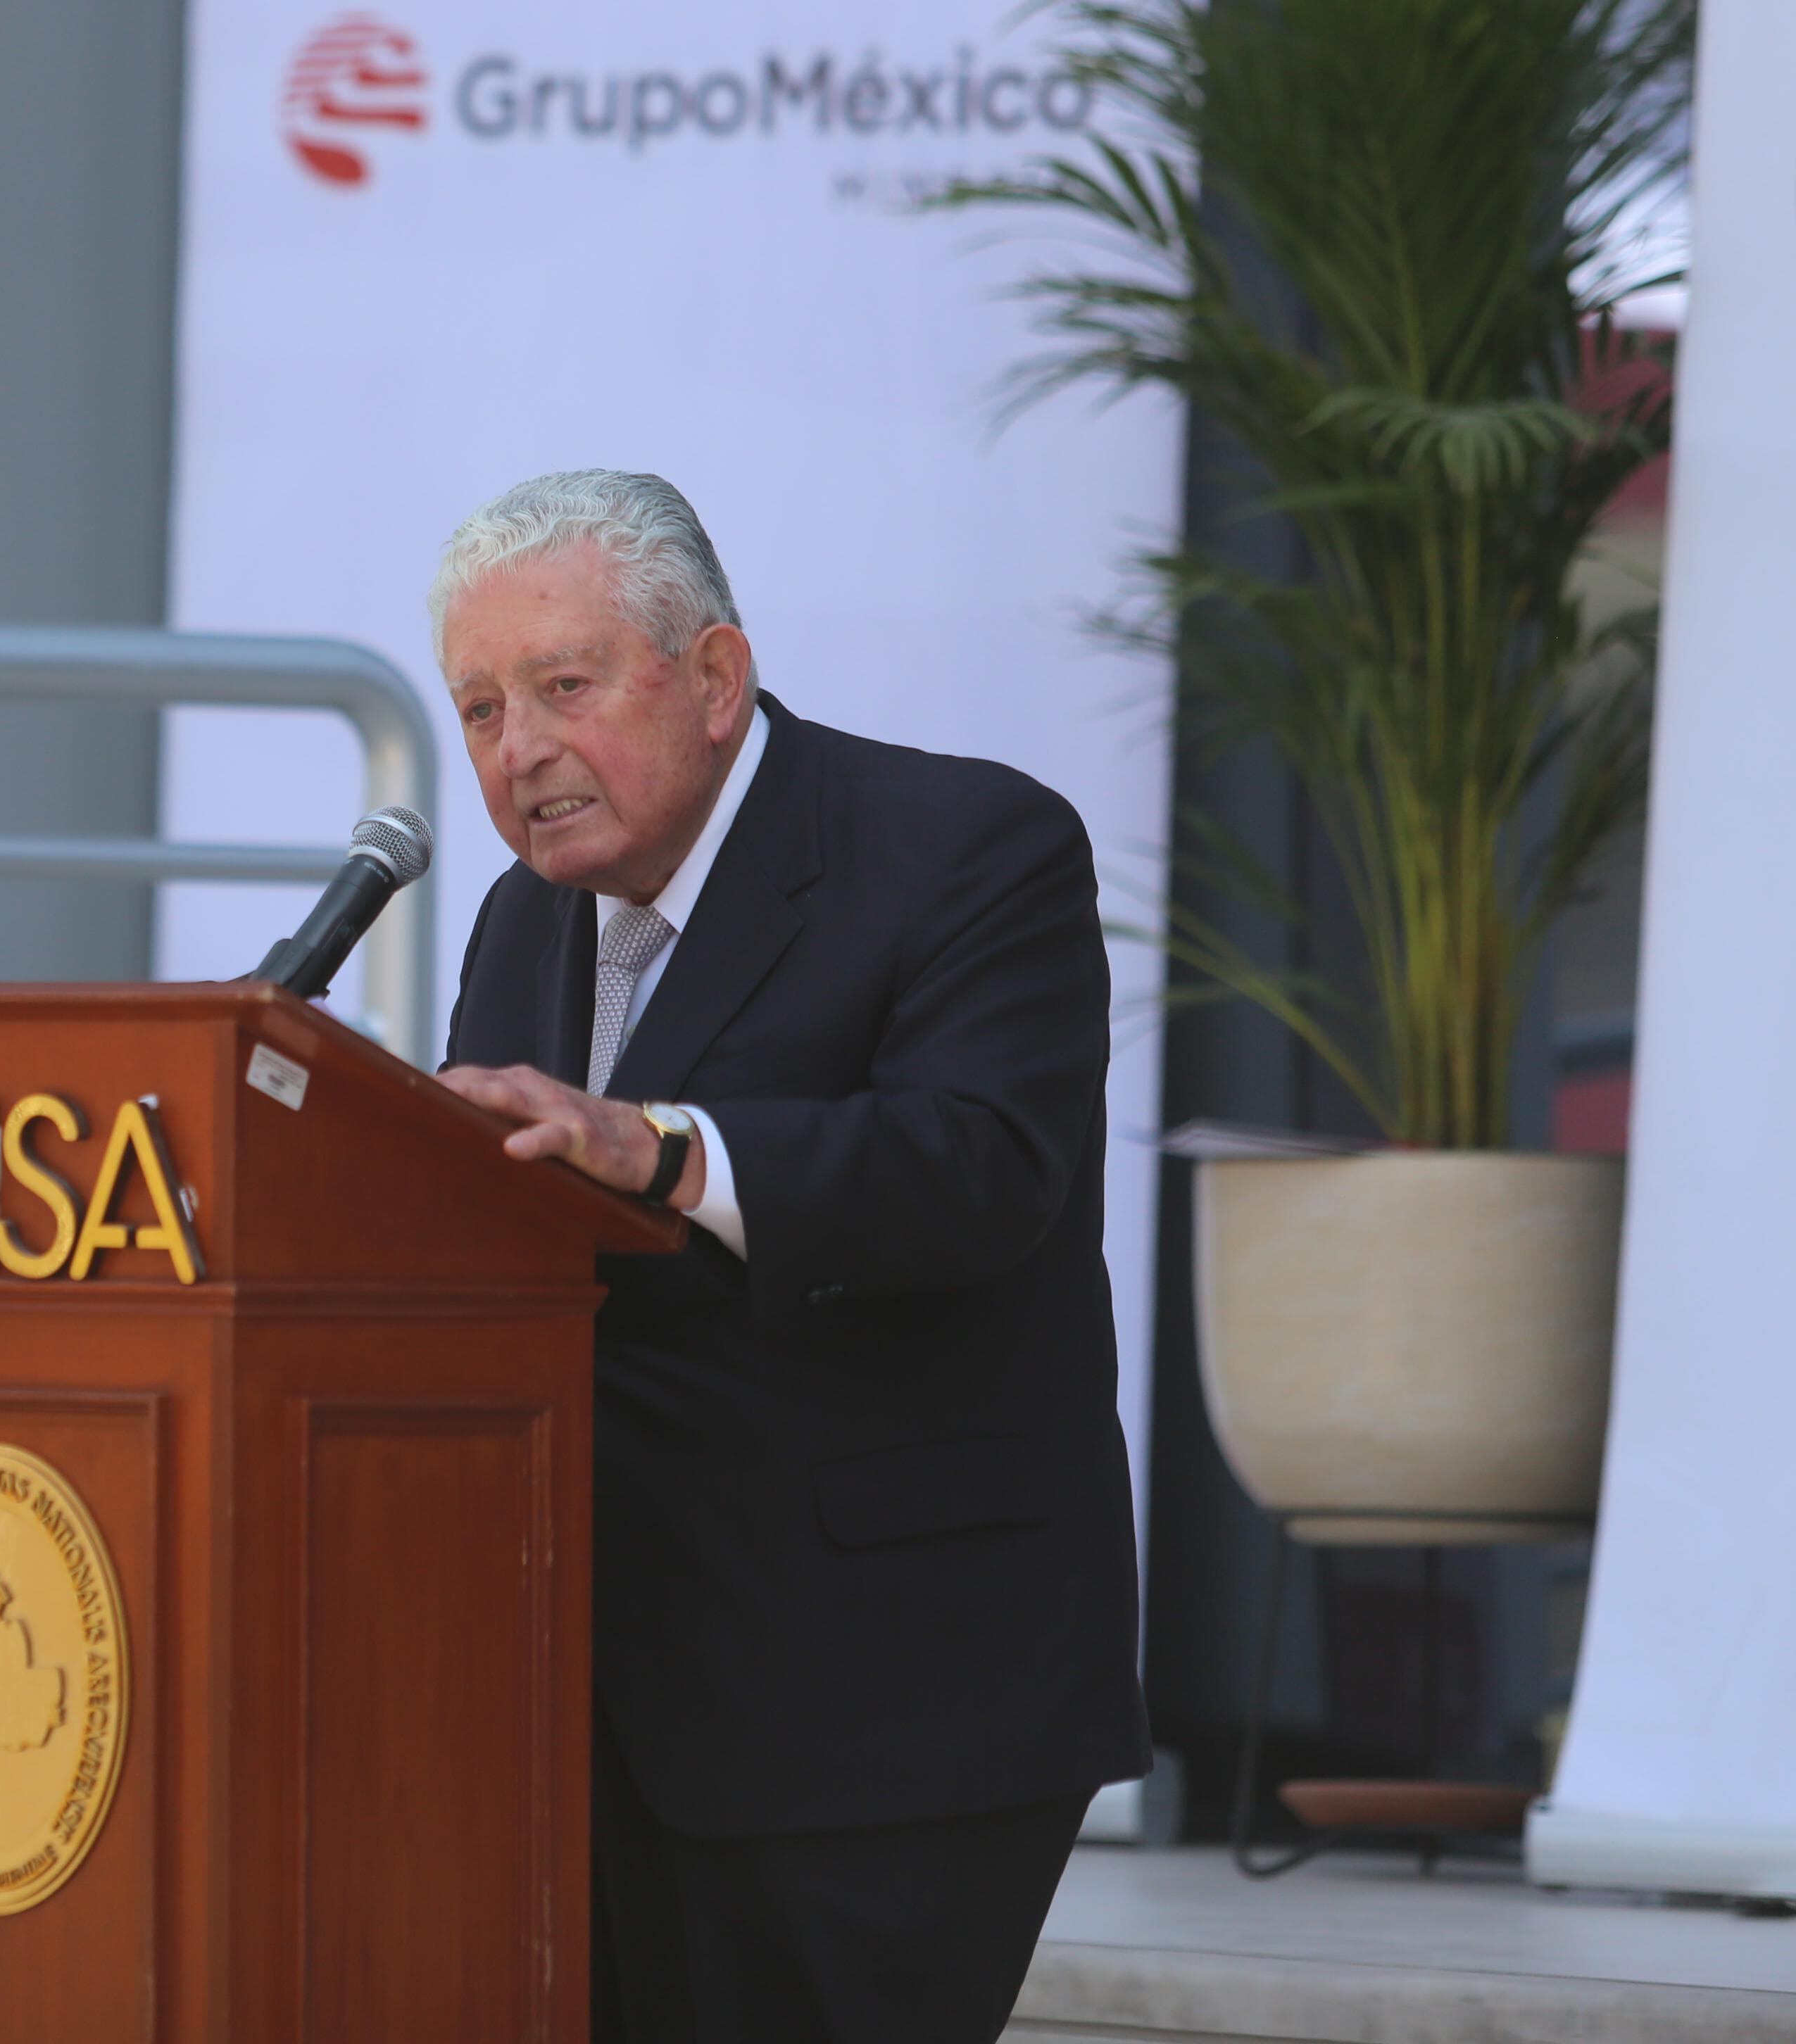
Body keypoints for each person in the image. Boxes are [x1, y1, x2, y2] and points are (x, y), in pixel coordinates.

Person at [434, 471, 1148, 2043]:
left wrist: (665, 1150)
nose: (518, 750)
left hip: (885, 1698)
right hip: (594, 1702)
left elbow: (981, 1167)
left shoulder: (963, 844)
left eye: (562, 687)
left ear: (712, 677)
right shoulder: (518, 924)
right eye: (479, 709)